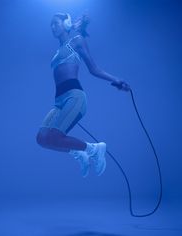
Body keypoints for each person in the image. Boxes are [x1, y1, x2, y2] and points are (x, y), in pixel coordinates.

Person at [36, 12, 130, 178]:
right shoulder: (58, 51)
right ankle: (78, 152)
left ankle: (95, 149)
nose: (52, 27)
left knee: (56, 136)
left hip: (74, 96)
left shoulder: (76, 41)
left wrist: (116, 79)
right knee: (42, 138)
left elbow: (94, 69)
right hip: (59, 102)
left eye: (56, 23)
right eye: (50, 24)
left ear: (66, 24)